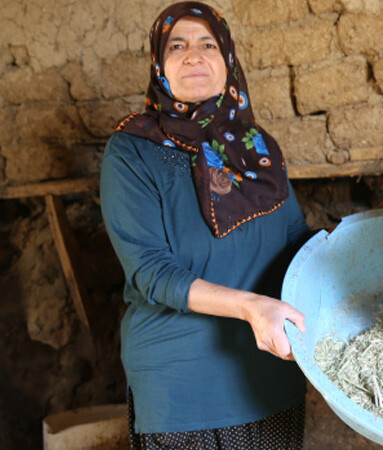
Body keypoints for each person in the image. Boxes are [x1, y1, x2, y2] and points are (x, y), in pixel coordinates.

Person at [101, 2, 312, 447]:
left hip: (272, 377)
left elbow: (295, 244)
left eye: (207, 45)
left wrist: (367, 225)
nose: (193, 56)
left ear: (227, 59)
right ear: (159, 65)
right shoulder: (133, 150)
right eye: (176, 46)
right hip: (186, 392)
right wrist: (251, 307)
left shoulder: (258, 147)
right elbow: (152, 272)